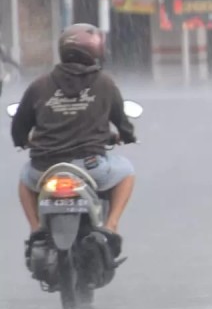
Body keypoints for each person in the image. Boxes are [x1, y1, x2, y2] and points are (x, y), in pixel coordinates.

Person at [10, 23, 137, 242]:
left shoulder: (40, 85)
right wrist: (127, 136)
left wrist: (23, 141)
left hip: (45, 168)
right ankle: (111, 224)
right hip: (90, 167)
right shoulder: (104, 83)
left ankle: (35, 228)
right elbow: (122, 121)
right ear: (95, 51)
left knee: (24, 178)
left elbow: (19, 126)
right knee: (126, 172)